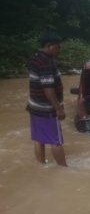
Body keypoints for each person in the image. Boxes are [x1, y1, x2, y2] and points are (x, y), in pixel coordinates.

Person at [26, 32, 67, 166]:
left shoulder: (36, 58)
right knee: (56, 141)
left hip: (35, 106)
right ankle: (64, 169)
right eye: (58, 47)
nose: (59, 50)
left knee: (39, 139)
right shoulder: (46, 62)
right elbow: (48, 88)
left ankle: (41, 166)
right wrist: (58, 108)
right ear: (49, 46)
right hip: (47, 109)